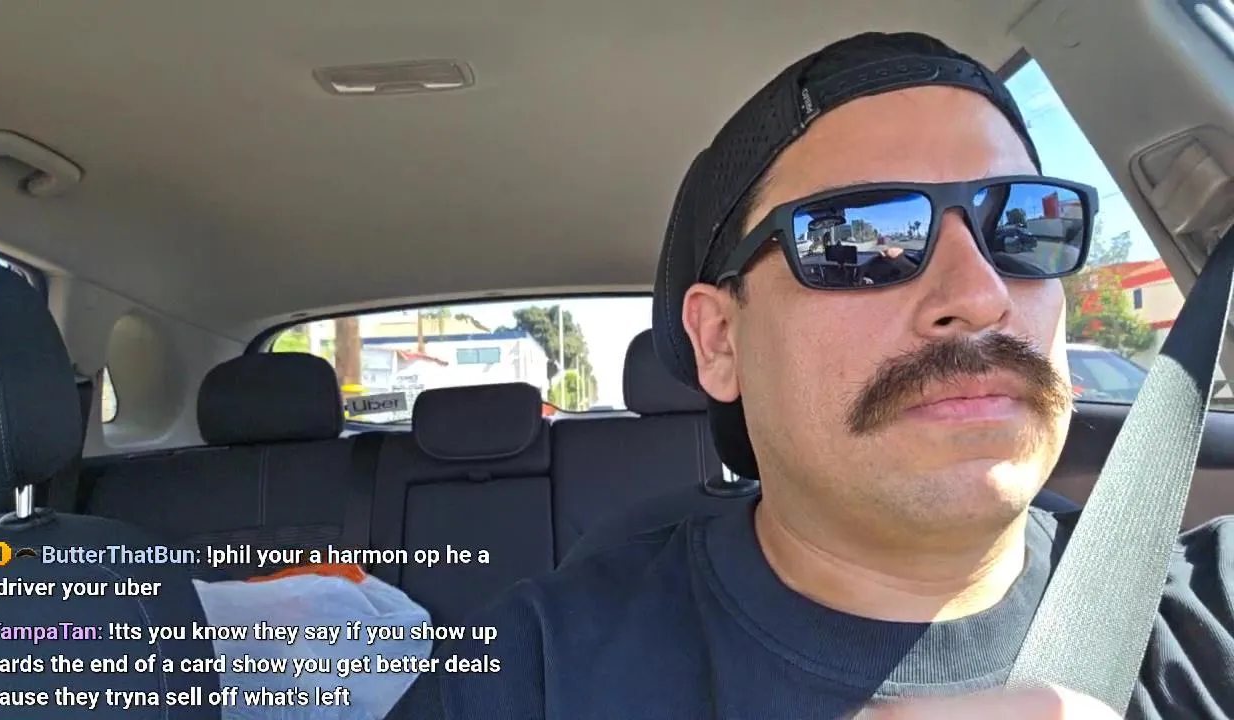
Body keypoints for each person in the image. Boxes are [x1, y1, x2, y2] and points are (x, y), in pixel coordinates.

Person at [390, 32, 1234, 719]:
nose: (980, 295)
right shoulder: (530, 677)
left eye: (1018, 226)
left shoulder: (1210, 608)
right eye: (861, 238)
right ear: (720, 342)